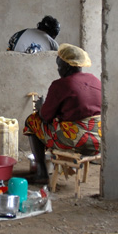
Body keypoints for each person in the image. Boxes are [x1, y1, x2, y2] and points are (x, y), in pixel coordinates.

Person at [23, 43, 101, 184]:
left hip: (77, 141)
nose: (58, 70)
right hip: (99, 141)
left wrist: (40, 107)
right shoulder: (95, 80)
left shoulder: (61, 85)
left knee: (32, 121)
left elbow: (45, 117)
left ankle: (41, 172)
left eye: (59, 66)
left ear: (67, 66)